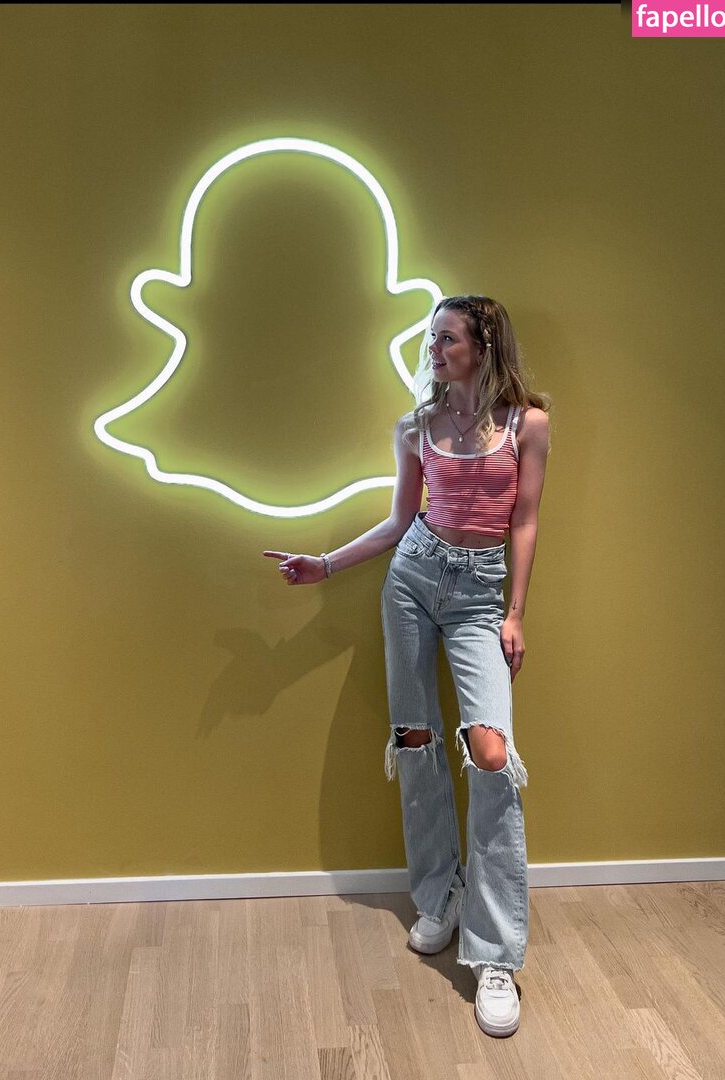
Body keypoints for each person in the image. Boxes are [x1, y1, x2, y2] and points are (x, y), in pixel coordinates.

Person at [263, 295, 551, 1039]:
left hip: (482, 593)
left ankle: (494, 955)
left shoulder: (526, 425)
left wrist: (515, 613)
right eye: (431, 338)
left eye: (446, 338)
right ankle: (440, 896)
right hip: (414, 581)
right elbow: (399, 521)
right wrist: (325, 564)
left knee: (491, 754)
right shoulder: (417, 426)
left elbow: (524, 519)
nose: (433, 349)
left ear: (483, 345)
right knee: (416, 740)